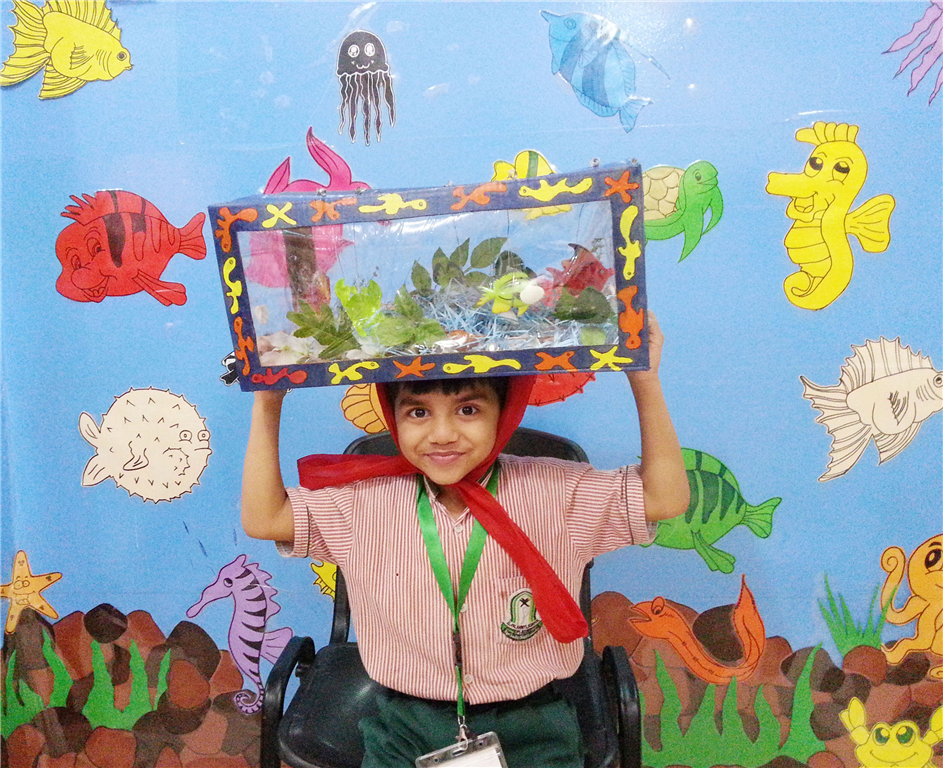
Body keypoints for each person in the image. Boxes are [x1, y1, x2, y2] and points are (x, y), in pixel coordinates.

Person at [242, 314, 688, 768]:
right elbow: (265, 518)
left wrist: (644, 380)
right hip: (403, 723)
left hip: (535, 723)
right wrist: (268, 401)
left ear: (504, 412)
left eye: (468, 410)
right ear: (393, 417)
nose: (442, 435)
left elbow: (664, 497)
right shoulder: (362, 503)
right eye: (418, 412)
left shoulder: (558, 491)